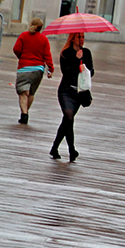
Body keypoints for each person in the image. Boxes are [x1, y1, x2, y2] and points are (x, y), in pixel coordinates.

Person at [50, 32, 93, 161]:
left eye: (83, 37)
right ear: (72, 39)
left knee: (67, 121)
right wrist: (76, 59)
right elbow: (66, 71)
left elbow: (91, 71)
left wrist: (82, 63)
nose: (81, 40)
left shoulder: (87, 53)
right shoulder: (66, 53)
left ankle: (54, 148)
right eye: (79, 37)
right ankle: (72, 150)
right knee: (68, 115)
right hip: (66, 91)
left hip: (79, 93)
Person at [11, 18, 54, 124]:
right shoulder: (44, 39)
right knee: (31, 93)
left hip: (24, 68)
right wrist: (50, 69)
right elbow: (47, 55)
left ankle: (24, 115)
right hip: (38, 70)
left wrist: (21, 57)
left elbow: (16, 49)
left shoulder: (23, 36)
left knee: (23, 92)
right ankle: (25, 113)